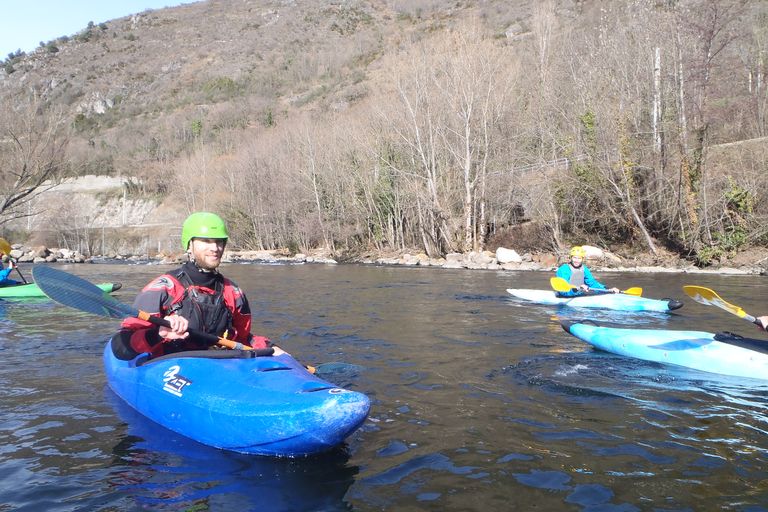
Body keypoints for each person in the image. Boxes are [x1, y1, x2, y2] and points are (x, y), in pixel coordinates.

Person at [111, 212, 282, 360]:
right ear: (189, 245)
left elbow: (242, 339)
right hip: (170, 366)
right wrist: (158, 333)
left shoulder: (234, 293)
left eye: (219, 241)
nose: (215, 248)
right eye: (206, 241)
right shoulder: (161, 289)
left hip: (218, 366)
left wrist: (270, 348)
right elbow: (121, 346)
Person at [555, 246, 619, 297]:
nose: (576, 260)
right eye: (574, 258)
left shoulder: (584, 269)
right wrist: (576, 288)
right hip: (564, 295)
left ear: (582, 259)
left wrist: (608, 290)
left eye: (579, 258)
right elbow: (563, 289)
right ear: (570, 258)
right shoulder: (564, 269)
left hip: (578, 295)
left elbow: (592, 283)